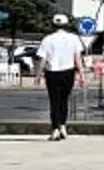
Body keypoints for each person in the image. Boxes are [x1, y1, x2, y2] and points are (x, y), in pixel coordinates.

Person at [36, 13, 85, 141]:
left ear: (53, 25)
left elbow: (43, 59)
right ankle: (62, 125)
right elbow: (77, 58)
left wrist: (38, 74)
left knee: (54, 101)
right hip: (68, 72)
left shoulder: (47, 39)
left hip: (52, 72)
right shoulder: (74, 38)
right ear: (67, 25)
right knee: (64, 100)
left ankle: (55, 128)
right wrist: (81, 74)